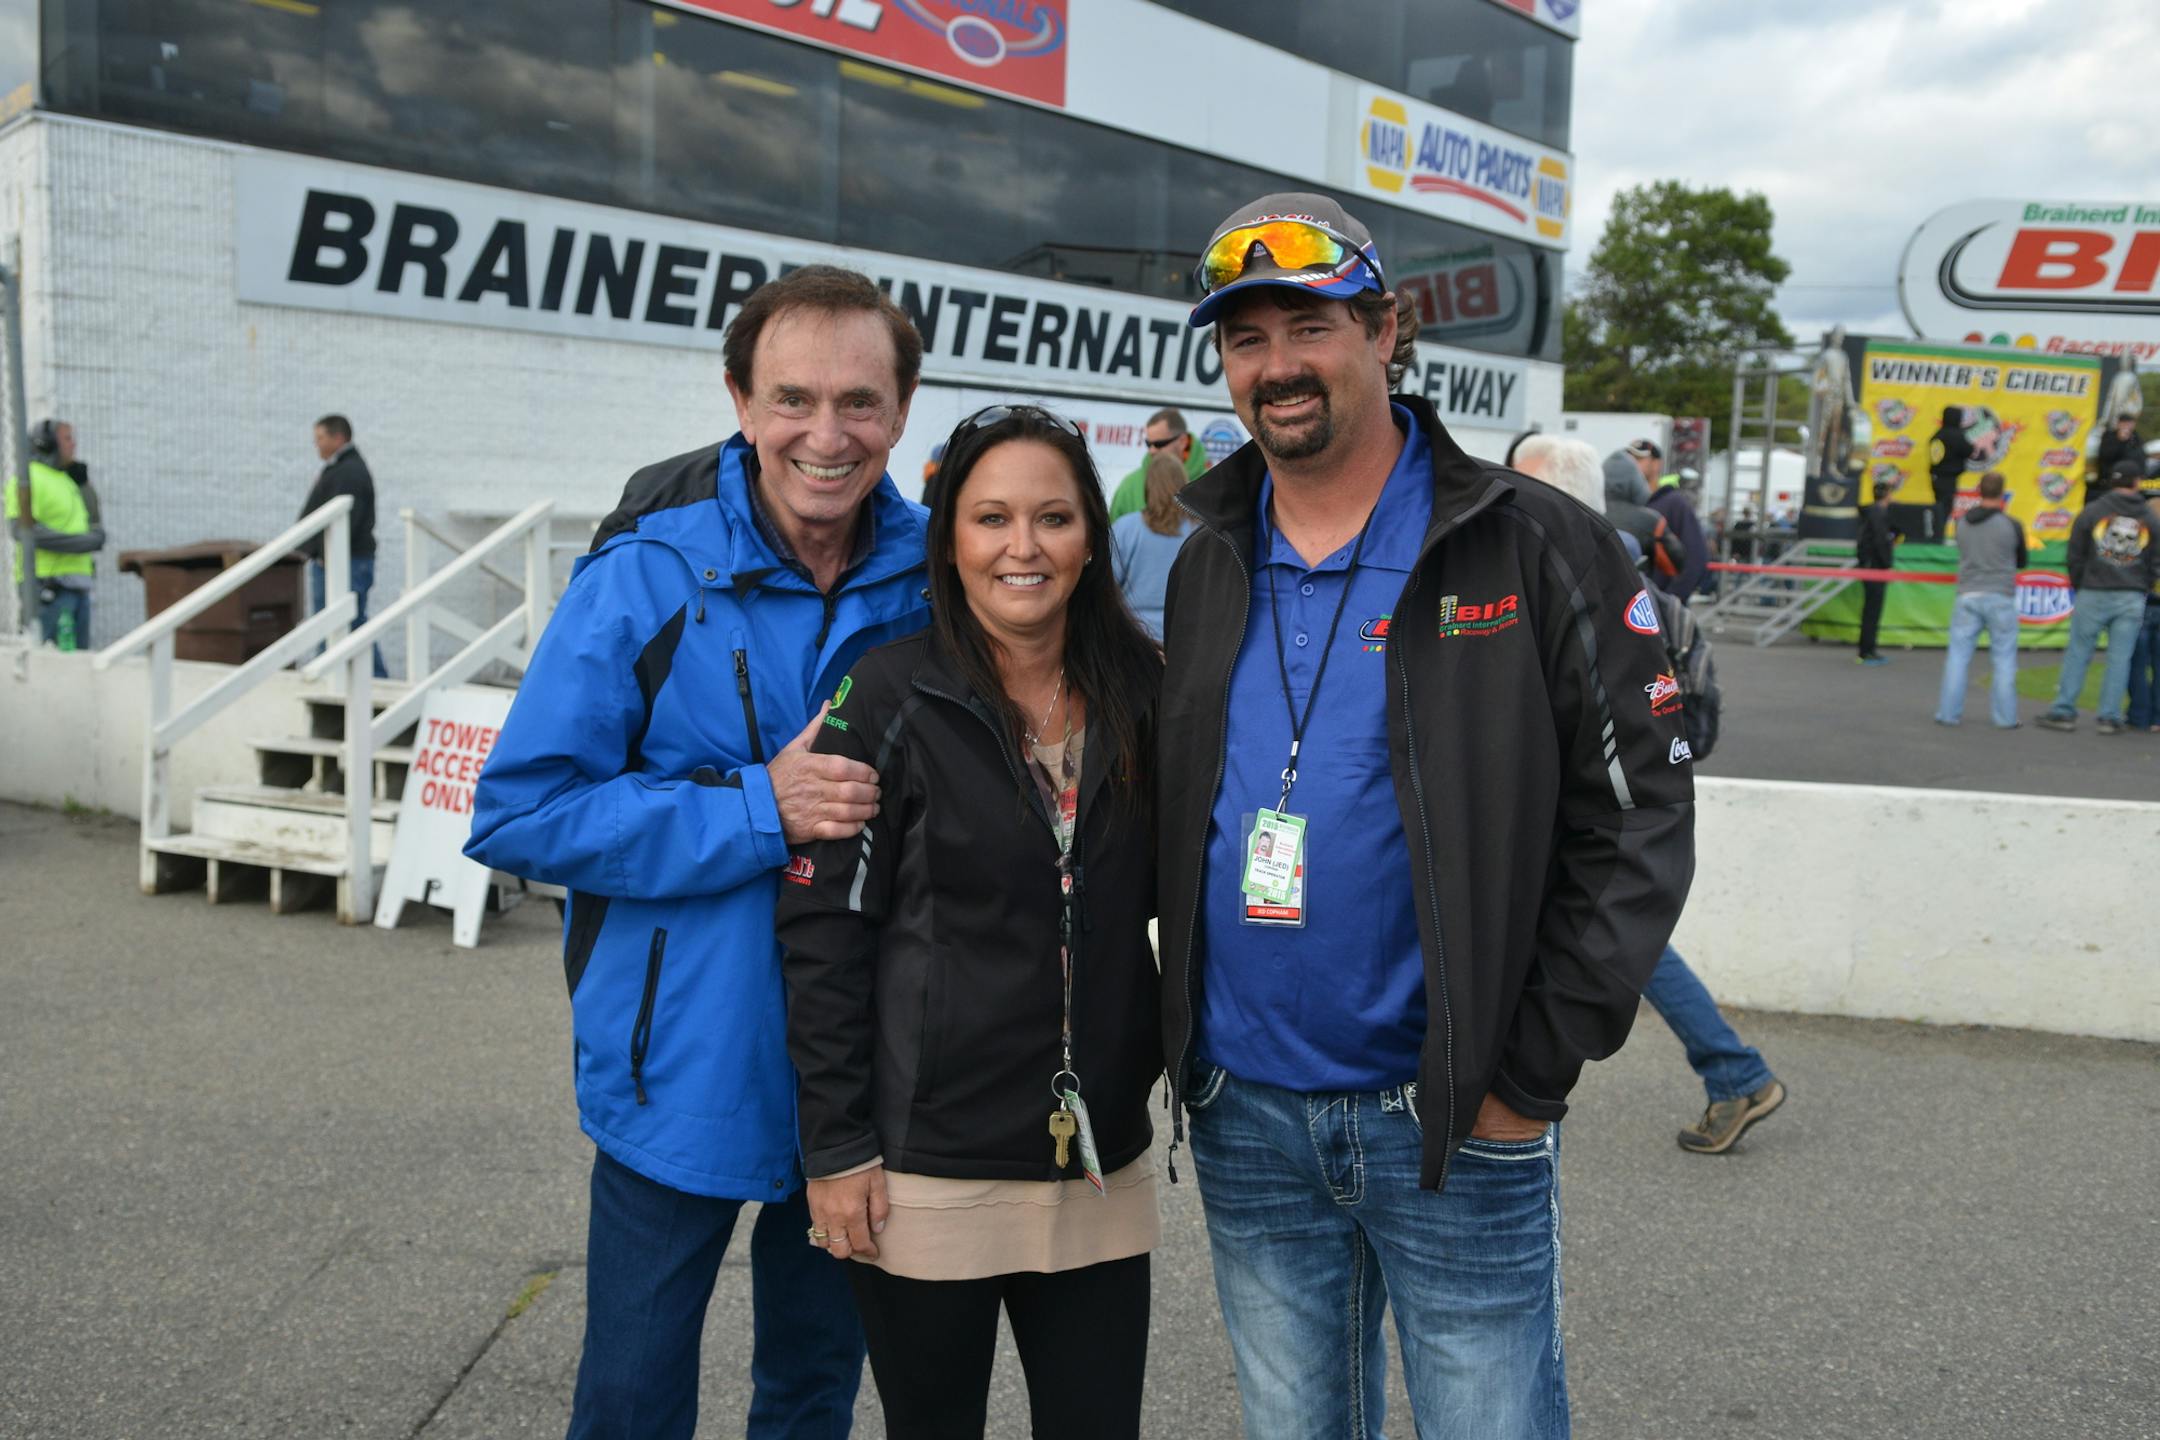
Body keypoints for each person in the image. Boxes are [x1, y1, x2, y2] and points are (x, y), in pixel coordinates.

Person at [1157, 193, 1695, 1439]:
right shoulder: (1206, 556)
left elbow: (1641, 810)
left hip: (1455, 1116)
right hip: (1246, 1114)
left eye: (1310, 325)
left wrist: (1531, 1072)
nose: (1277, 365)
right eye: (1245, 340)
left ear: (1385, 329)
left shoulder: (1534, 544)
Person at [465, 265, 936, 1440]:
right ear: (739, 399)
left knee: (813, 1393)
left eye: (861, 404)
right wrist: (755, 808)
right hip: (673, 1062)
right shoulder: (648, 571)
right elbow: (521, 814)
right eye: (793, 399)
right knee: (630, 1400)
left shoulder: (942, 579)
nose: (826, 436)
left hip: (861, 1077)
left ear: (903, 408)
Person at [777, 404, 1164, 1440]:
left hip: (1098, 1162)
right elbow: (822, 936)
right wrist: (836, 1148)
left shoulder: (1149, 696)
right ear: (951, 540)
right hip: (923, 1172)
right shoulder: (888, 695)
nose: (1023, 547)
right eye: (990, 518)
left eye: (1053, 517)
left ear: (1093, 535)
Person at [1513, 439, 1781, 1155]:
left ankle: (1736, 1072)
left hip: (1597, 812)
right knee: (1623, 937)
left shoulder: (1590, 585)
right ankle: (1734, 1072)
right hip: (1624, 807)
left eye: (1522, 489)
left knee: (1624, 938)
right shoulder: (1618, 575)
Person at [2037, 469, 2160, 735]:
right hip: (2130, 592)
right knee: (2120, 658)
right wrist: (2144, 585)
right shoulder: (2148, 516)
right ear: (2137, 482)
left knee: (2079, 652)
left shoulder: (2093, 511)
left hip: (2094, 589)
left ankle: (2064, 711)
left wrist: (2080, 583)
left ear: (2111, 483)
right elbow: (2155, 560)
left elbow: (2075, 552)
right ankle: (2109, 716)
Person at [1933, 471, 2026, 730]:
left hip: (1968, 594)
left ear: (1978, 491)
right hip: (2000, 595)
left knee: (1958, 656)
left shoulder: (1962, 523)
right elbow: (2022, 560)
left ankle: (1948, 713)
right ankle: (2005, 717)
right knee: (2004, 659)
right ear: (2002, 492)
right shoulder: (2012, 525)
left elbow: (1963, 552)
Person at [296, 415, 385, 679]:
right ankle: (339, 678)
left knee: (346, 623)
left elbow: (350, 519)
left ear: (338, 438)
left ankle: (373, 681)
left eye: (320, 439)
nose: (317, 445)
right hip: (340, 560)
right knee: (341, 623)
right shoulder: (343, 468)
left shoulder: (348, 471)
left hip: (344, 562)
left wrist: (324, 555)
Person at [6, 418, 105, 648]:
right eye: (67, 438)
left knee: (78, 662)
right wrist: (82, 543)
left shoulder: (66, 480)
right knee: (48, 661)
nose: (74, 445)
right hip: (50, 587)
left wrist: (83, 485)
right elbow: (23, 530)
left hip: (79, 585)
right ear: (46, 443)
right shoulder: (27, 478)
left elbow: (94, 525)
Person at [1110, 451, 1196, 640]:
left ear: (1148, 486)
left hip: (1133, 636)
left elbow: (1106, 585)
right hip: (1186, 637)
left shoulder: (1125, 528)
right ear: (1183, 481)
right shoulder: (1200, 530)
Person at [1106, 407, 1209, 522]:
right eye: (1148, 444)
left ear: (1182, 441)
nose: (1152, 450)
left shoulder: (1210, 486)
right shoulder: (1130, 486)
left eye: (1159, 444)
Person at [1604, 447, 1685, 583]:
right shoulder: (1651, 521)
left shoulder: (1581, 512)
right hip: (1632, 596)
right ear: (1636, 482)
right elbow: (1674, 565)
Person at [1647, 461, 1710, 600]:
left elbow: (1696, 556)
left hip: (1661, 601)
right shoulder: (1673, 500)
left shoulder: (1674, 502)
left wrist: (1671, 599)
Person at [1855, 480, 1897, 665]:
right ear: (1887, 494)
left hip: (1869, 564)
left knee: (1870, 609)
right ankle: (1867, 651)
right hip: (1875, 567)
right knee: (1873, 609)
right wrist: (1887, 563)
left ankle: (1867, 649)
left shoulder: (1872, 513)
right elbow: (1880, 540)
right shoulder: (1879, 514)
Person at [1927, 405, 1972, 542]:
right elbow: (1968, 450)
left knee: (1939, 506)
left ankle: (1936, 535)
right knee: (1944, 509)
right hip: (1948, 478)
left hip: (1936, 477)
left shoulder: (1939, 434)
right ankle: (1938, 537)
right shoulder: (1956, 435)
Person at [2096, 413, 2145, 491]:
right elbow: (2105, 456)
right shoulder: (2109, 436)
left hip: (2133, 479)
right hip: (2113, 479)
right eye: (2124, 424)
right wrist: (2121, 441)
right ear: (2119, 424)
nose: (2127, 426)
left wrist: (2141, 476)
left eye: (2130, 424)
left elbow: (2141, 458)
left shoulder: (2137, 438)